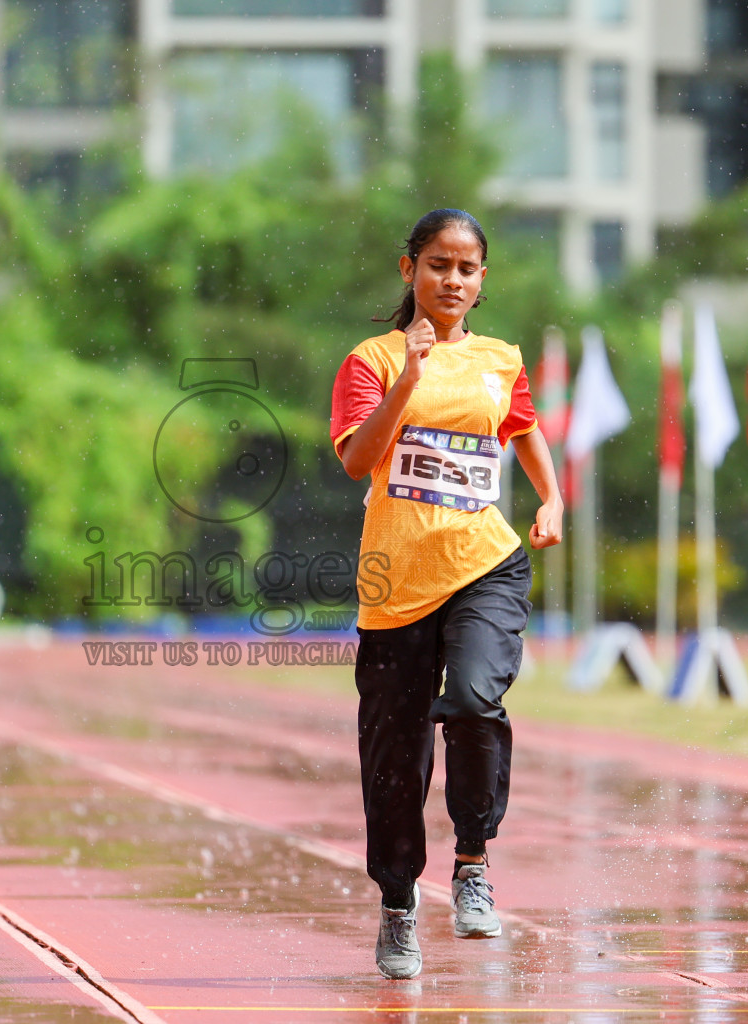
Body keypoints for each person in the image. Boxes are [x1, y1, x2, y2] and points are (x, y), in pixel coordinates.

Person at [329, 210, 563, 979]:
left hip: (483, 565)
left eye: (466, 269)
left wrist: (550, 498)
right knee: (394, 757)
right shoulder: (370, 360)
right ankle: (399, 905)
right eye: (437, 265)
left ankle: (472, 861)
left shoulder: (500, 360)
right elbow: (359, 460)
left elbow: (522, 426)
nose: (451, 281)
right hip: (396, 583)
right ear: (409, 270)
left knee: (470, 699)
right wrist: (410, 380)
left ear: (482, 280)